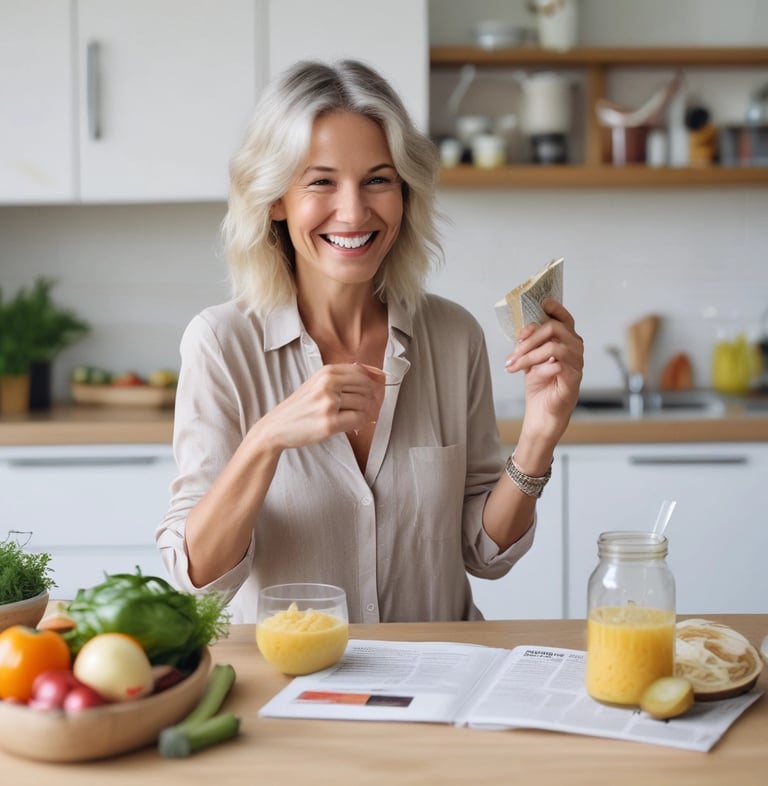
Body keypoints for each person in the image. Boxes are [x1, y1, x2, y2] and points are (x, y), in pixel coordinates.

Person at [156, 59, 583, 624]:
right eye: (321, 181)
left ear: (405, 193)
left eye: (378, 179)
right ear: (276, 199)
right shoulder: (220, 343)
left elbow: (483, 553)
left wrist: (539, 434)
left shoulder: (454, 337)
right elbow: (199, 580)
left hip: (438, 683)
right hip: (293, 688)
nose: (354, 211)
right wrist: (266, 440)